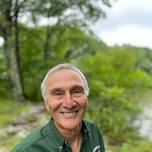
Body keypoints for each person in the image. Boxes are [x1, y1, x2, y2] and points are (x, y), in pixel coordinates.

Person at [11, 63, 105, 152]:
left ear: (86, 97)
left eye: (76, 91)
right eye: (58, 94)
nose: (69, 104)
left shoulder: (93, 131)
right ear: (46, 103)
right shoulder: (28, 149)